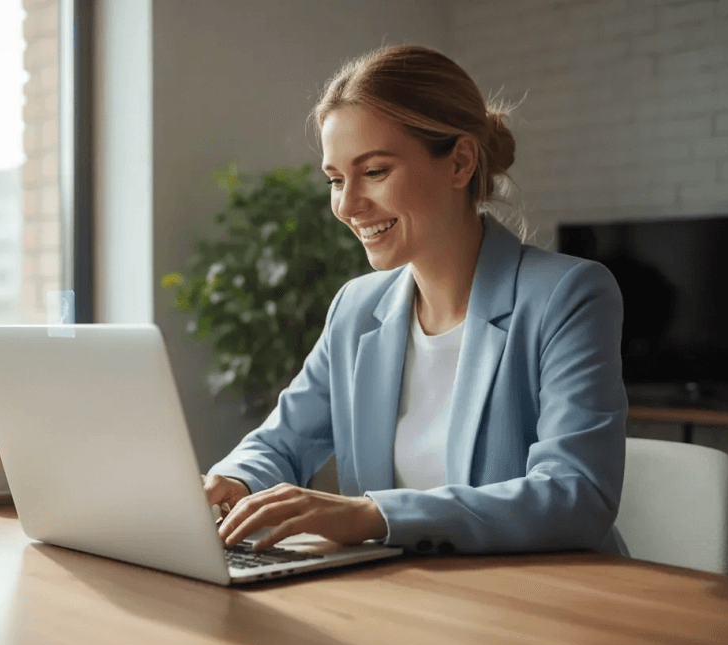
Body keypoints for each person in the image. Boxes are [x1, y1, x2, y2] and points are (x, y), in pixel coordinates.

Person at [203, 44, 629, 558]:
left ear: (460, 162)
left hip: (545, 605)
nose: (347, 205)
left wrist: (375, 515)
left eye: (375, 172)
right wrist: (235, 480)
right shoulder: (356, 309)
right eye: (336, 180)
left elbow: (576, 495)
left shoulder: (568, 295)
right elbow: (281, 441)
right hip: (406, 601)